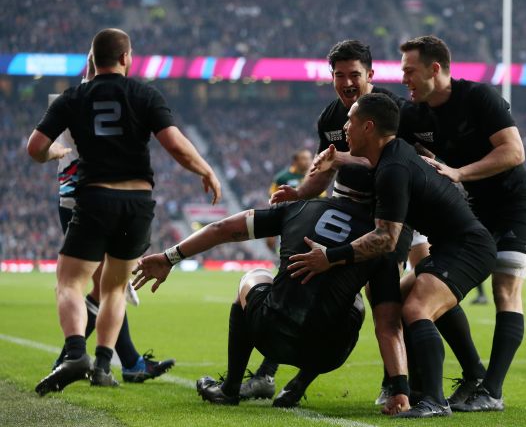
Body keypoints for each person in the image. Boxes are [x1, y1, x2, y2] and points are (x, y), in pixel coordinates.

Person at [28, 28, 221, 395]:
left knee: (69, 283)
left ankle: (74, 353)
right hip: (137, 203)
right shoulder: (144, 93)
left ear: (93, 60)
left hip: (95, 198)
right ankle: (102, 365)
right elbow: (176, 145)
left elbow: (35, 147)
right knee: (114, 288)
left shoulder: (74, 97)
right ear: (126, 57)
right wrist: (206, 170)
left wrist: (52, 154)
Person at [131, 173, 410, 414]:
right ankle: (297, 386)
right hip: (327, 354)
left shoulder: (301, 208)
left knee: (253, 277)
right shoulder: (381, 244)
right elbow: (389, 325)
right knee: (357, 303)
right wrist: (400, 389)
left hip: (269, 333)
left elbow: (221, 229)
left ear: (336, 183)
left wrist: (170, 257)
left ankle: (229, 389)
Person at [288, 93, 496, 418]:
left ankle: (435, 401)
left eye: (351, 122)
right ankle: (416, 388)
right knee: (398, 305)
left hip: (467, 248)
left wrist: (331, 256)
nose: (344, 128)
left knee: (416, 308)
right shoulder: (390, 158)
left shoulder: (393, 168)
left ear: (368, 127)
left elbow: (386, 239)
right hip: (453, 246)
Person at [262, 40, 429, 404]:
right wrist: (300, 193)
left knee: (385, 308)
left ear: (370, 75)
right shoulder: (328, 118)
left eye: (355, 74)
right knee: (313, 290)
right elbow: (324, 168)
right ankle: (275, 374)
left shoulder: (391, 111)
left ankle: (396, 386)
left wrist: (341, 161)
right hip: (342, 212)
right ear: (332, 77)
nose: (348, 82)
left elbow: (394, 162)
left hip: (386, 221)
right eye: (340, 75)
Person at [398, 35, 526, 412]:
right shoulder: (415, 115)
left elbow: (514, 152)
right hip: (474, 211)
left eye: (409, 71)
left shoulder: (479, 97)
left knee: (505, 289)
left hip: (517, 204)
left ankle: (490, 392)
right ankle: (473, 375)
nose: (404, 79)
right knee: (427, 284)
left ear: (435, 69)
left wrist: (459, 173)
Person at [50, 52, 175, 383]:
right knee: (103, 288)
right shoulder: (88, 102)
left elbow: (45, 147)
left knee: (106, 287)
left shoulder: (70, 100)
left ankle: (118, 361)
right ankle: (79, 358)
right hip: (89, 201)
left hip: (79, 198)